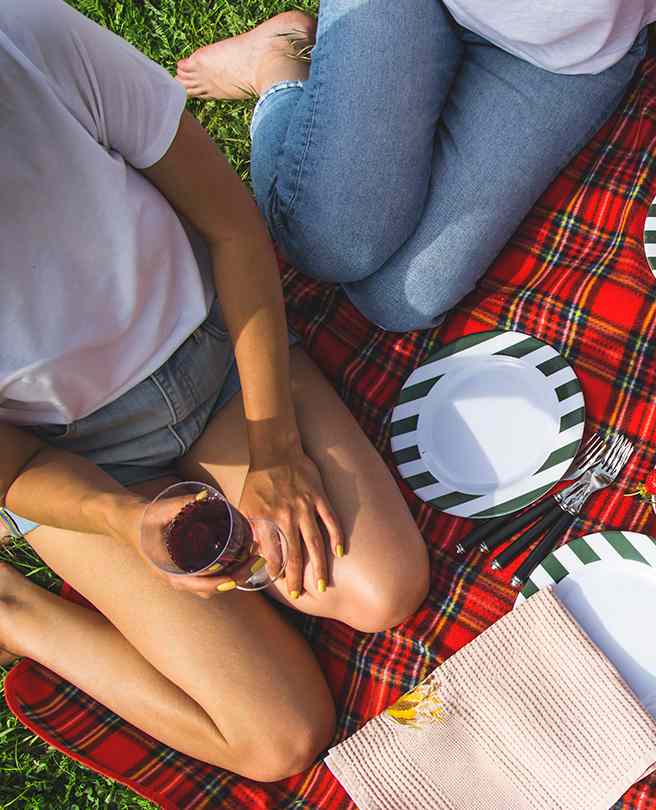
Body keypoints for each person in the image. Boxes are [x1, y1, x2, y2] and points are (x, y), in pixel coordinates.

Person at [0, 0, 429, 781]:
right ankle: (14, 611)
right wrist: (122, 518)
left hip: (210, 350)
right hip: (70, 458)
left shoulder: (27, 36)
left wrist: (276, 444)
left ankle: (274, 67)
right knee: (279, 738)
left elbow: (231, 228)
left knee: (385, 589)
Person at [176, 0, 656, 332]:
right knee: (326, 246)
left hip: (564, 48)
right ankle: (276, 66)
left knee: (400, 298)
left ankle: (400, 97)